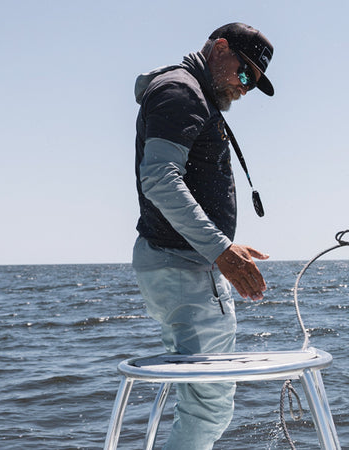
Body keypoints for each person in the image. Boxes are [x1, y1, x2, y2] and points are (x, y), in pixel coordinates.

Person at [131, 22, 275, 449]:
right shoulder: (181, 93)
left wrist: (226, 246)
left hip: (180, 264)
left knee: (202, 401)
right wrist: (220, 250)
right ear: (219, 49)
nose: (246, 89)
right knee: (208, 407)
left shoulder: (190, 93)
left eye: (254, 83)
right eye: (245, 74)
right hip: (184, 268)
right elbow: (159, 178)